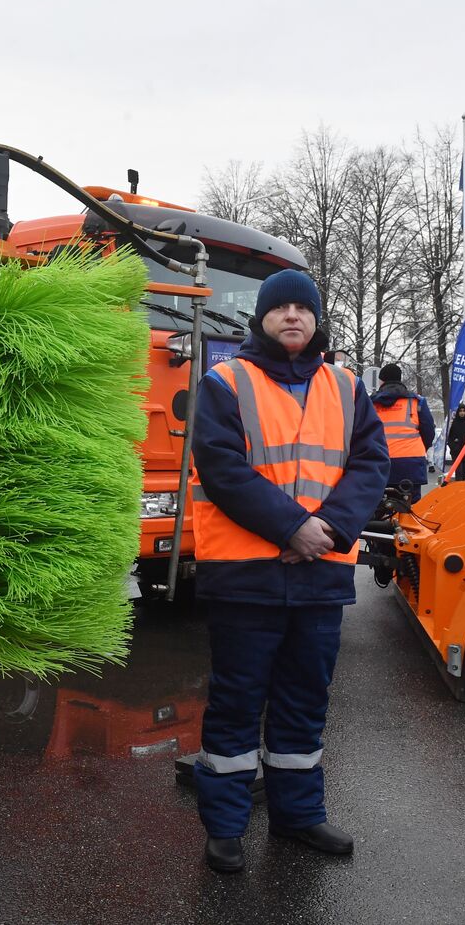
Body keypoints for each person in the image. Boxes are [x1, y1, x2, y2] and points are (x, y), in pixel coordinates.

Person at [188, 269, 388, 873]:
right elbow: (222, 470)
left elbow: (370, 465)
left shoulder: (347, 387)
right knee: (236, 703)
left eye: (304, 308)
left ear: (317, 319)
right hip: (245, 578)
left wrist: (326, 530)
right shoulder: (225, 382)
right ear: (262, 320)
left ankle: (298, 817)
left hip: (319, 574)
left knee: (305, 701)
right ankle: (224, 829)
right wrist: (292, 527)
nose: (294, 317)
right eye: (282, 309)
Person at [371, 363, 436, 498]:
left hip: (379, 462)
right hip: (411, 463)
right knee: (410, 509)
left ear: (382, 381)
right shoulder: (416, 402)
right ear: (400, 379)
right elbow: (429, 431)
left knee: (378, 509)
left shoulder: (371, 403)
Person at [446, 403, 465, 481]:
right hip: (456, 452)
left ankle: (462, 483)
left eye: (463, 411)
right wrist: (454, 447)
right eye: (460, 411)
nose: (462, 413)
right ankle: (458, 487)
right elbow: (448, 438)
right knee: (459, 471)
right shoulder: (453, 423)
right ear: (457, 412)